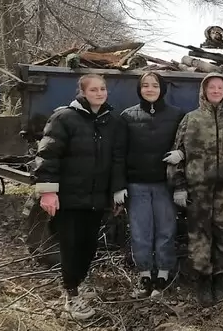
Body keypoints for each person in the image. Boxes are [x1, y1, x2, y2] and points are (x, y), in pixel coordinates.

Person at [33, 74, 126, 320]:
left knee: (88, 246)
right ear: (82, 93)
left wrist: (116, 192)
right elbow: (48, 154)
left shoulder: (110, 121)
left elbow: (116, 159)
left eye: (103, 89)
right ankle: (71, 298)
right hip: (70, 198)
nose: (99, 93)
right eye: (93, 89)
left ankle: (79, 283)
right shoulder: (64, 118)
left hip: (95, 199)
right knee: (71, 247)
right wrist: (48, 191)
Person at [167, 73, 223, 306]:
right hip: (198, 190)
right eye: (211, 87)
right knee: (199, 235)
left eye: (220, 87)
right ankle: (203, 279)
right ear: (204, 91)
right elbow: (177, 155)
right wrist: (179, 186)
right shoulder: (191, 119)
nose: (216, 91)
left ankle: (220, 277)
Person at [117, 72, 185, 298]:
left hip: (165, 184)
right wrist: (119, 185)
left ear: (162, 89)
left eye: (154, 85)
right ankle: (145, 273)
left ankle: (164, 273)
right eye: (145, 85)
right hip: (137, 185)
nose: (150, 89)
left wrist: (181, 153)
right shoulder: (127, 117)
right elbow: (118, 154)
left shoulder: (176, 115)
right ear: (139, 90)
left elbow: (189, 144)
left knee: (166, 230)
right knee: (140, 232)